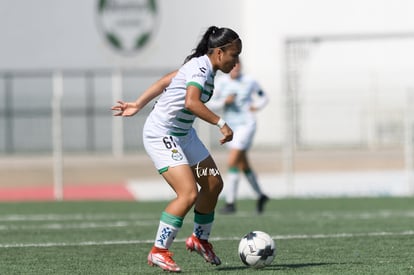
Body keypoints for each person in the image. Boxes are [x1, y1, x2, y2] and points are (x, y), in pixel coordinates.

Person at [111, 26, 241, 272]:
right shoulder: (201, 68)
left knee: (213, 184)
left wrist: (138, 103)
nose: (236, 61)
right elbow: (190, 102)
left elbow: (167, 79)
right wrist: (221, 123)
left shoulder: (204, 66)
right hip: (162, 134)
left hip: (183, 135)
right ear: (219, 52)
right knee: (188, 194)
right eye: (234, 55)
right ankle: (158, 251)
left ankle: (199, 240)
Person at [208, 61, 269, 214]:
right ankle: (261, 195)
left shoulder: (249, 81)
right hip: (231, 127)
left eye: (237, 65)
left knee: (232, 161)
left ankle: (230, 203)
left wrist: (257, 106)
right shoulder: (221, 83)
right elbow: (210, 103)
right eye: (232, 65)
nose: (235, 68)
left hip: (246, 125)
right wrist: (224, 101)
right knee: (242, 164)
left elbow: (263, 97)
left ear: (240, 66)